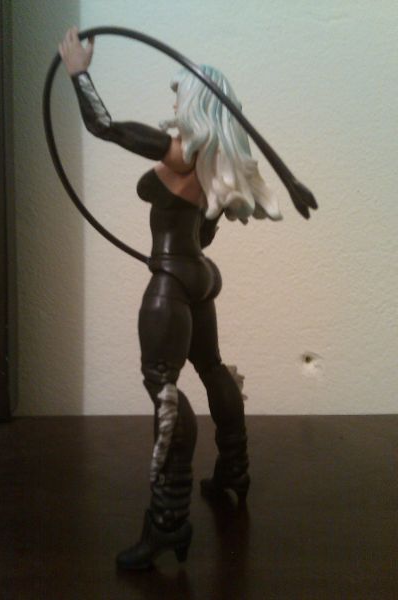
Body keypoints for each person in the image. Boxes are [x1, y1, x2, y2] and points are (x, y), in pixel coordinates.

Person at [59, 26, 282, 570]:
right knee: (210, 366)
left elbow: (105, 126)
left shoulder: (181, 153)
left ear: (197, 100)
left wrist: (78, 73)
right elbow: (205, 234)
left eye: (180, 93)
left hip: (171, 281)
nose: (175, 102)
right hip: (199, 274)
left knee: (164, 391)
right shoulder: (216, 160)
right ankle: (234, 469)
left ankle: (168, 520)